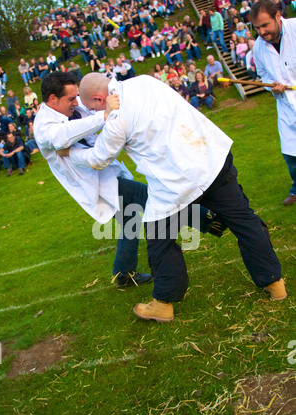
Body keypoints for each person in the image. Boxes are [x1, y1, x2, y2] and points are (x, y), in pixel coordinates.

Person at [57, 72, 287, 321]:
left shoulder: (116, 119)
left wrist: (70, 152)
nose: (94, 113)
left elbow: (98, 158)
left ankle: (164, 302)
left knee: (159, 239)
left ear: (100, 98)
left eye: (92, 108)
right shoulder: (144, 80)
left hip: (175, 181)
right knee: (244, 220)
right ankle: (275, 283)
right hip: (210, 157)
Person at [33, 71, 151, 287]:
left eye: (76, 96)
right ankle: (211, 220)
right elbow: (64, 135)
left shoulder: (72, 109)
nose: (76, 102)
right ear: (52, 99)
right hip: (96, 183)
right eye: (70, 98)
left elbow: (96, 103)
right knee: (149, 195)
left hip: (107, 173)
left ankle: (123, 274)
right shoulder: (44, 127)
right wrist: (103, 116)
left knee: (130, 219)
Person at [250, 0, 296, 206]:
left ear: (278, 16)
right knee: (291, 156)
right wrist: (271, 86)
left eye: (265, 25)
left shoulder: (295, 28)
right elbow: (262, 75)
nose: (261, 31)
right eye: (257, 27)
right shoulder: (258, 48)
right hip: (287, 106)